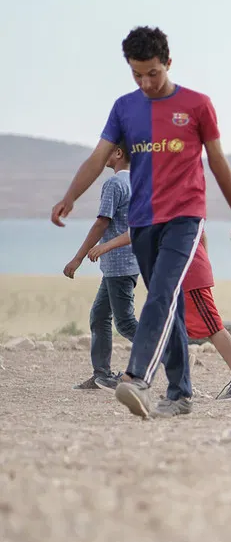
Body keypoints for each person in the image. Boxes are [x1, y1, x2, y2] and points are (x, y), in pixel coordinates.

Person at [50, 26, 231, 419]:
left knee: (160, 293)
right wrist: (71, 196)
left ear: (168, 63)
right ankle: (180, 394)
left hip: (185, 217)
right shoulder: (124, 108)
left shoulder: (197, 105)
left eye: (153, 73)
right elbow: (99, 158)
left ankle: (137, 377)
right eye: (137, 75)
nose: (145, 82)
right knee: (171, 307)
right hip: (143, 221)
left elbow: (217, 161)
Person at [92, 230, 231, 401]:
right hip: (176, 274)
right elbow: (201, 235)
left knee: (212, 326)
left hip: (187, 274)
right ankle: (135, 378)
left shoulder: (163, 204)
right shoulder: (182, 205)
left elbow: (141, 229)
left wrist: (106, 246)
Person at [63, 142, 139, 390]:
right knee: (99, 316)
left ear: (118, 153)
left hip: (118, 264)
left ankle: (170, 352)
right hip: (126, 263)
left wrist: (78, 257)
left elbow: (101, 224)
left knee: (125, 323)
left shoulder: (115, 183)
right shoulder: (137, 182)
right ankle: (102, 375)